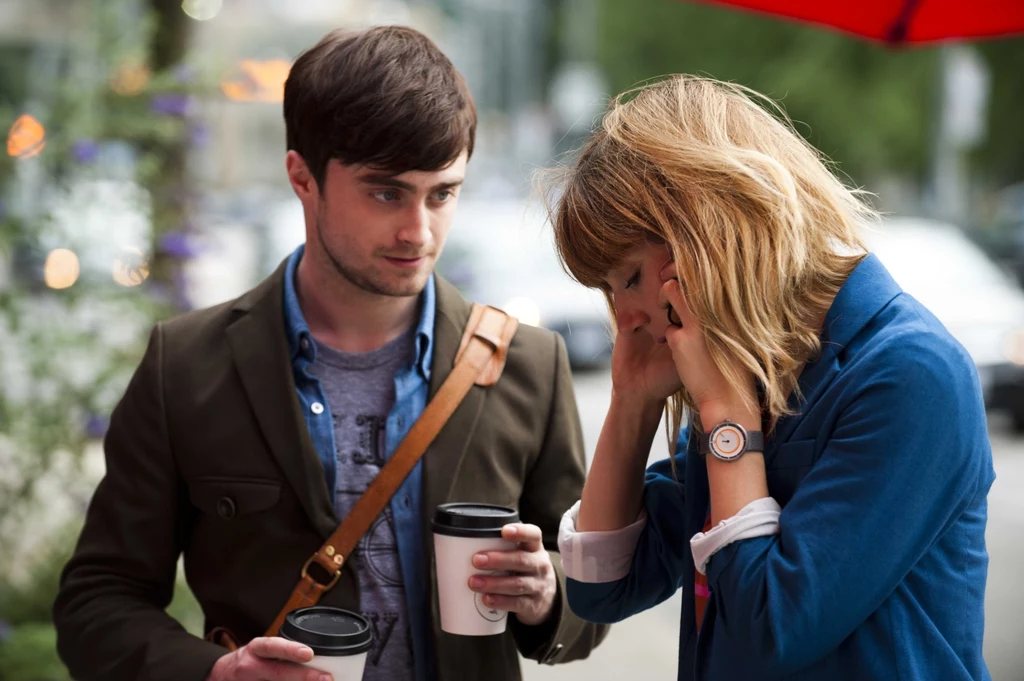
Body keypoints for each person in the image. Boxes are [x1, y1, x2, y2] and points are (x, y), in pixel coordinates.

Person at [53, 26, 607, 681]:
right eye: (385, 191)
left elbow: (590, 600)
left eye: (443, 192)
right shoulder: (187, 365)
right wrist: (215, 673)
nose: (419, 230)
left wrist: (548, 595)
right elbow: (96, 601)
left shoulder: (528, 364)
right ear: (301, 177)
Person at [550, 75, 994, 680]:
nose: (623, 319)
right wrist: (632, 398)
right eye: (607, 291)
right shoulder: (749, 366)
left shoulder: (909, 372)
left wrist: (729, 424)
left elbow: (771, 629)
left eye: (629, 277)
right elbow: (602, 589)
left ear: (709, 230)